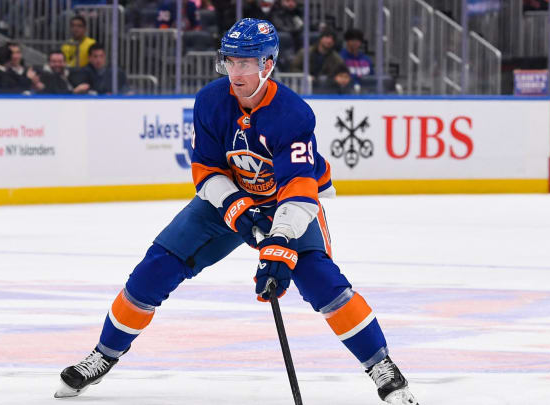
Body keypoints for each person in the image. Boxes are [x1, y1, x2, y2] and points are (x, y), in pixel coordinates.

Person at [54, 18, 420, 405]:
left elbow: (298, 187)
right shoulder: (211, 101)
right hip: (227, 199)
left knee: (322, 282)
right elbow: (206, 169)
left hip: (288, 202)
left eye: (246, 63)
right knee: (155, 267)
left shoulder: (293, 114)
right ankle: (104, 355)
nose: (236, 72)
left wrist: (278, 241)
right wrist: (236, 208)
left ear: (268, 64)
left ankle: (381, 365)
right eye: (230, 61)